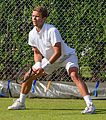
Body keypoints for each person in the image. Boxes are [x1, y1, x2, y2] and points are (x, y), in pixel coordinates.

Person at [8, 6, 96, 114]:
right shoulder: (31, 34)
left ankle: (90, 105)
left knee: (74, 75)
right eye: (33, 16)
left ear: (44, 18)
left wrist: (44, 67)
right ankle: (21, 103)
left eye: (37, 17)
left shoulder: (52, 30)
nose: (34, 19)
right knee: (28, 76)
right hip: (50, 59)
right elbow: (36, 52)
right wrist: (38, 64)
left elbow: (58, 52)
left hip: (66, 57)